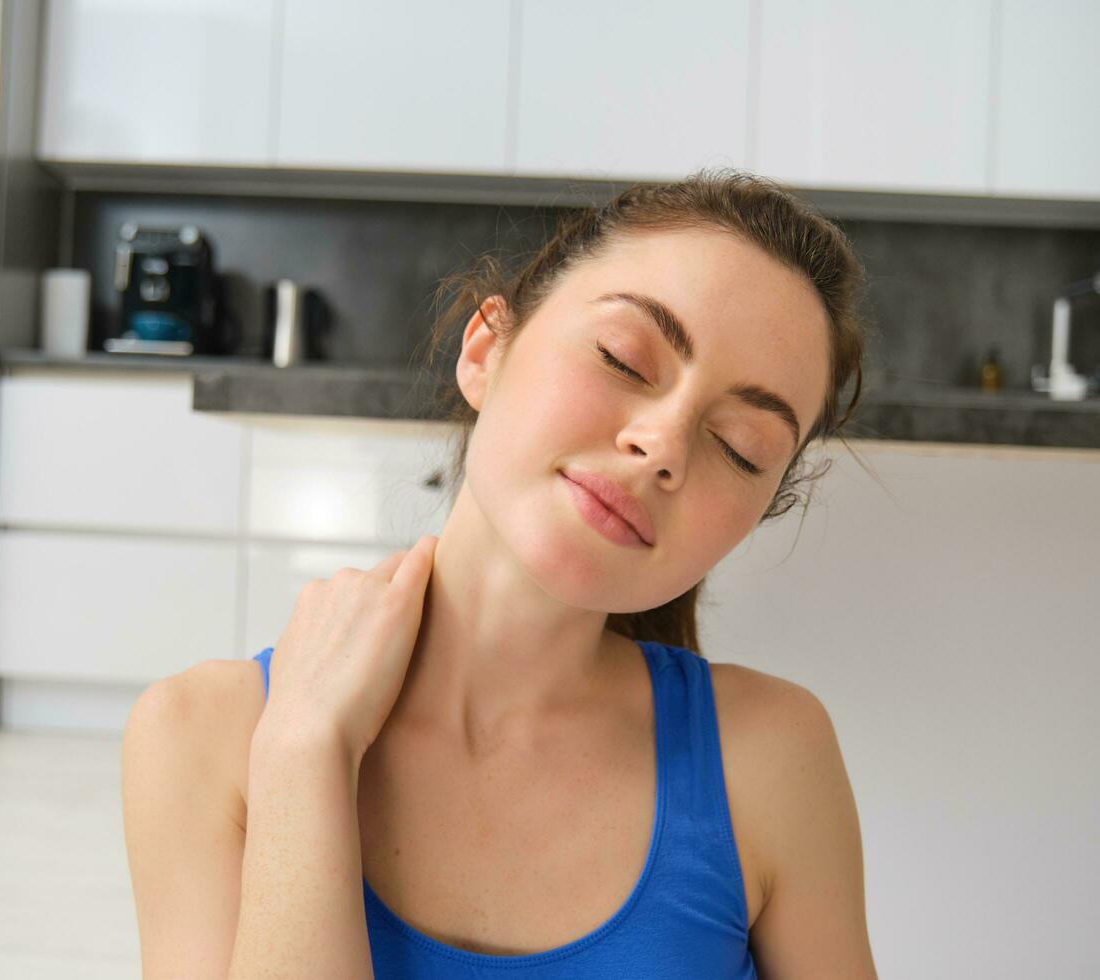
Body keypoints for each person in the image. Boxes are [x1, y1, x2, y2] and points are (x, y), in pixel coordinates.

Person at [122, 167, 880, 978]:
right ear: (486, 350)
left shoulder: (770, 758)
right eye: (625, 359)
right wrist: (305, 752)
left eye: (740, 446)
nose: (661, 447)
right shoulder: (201, 736)